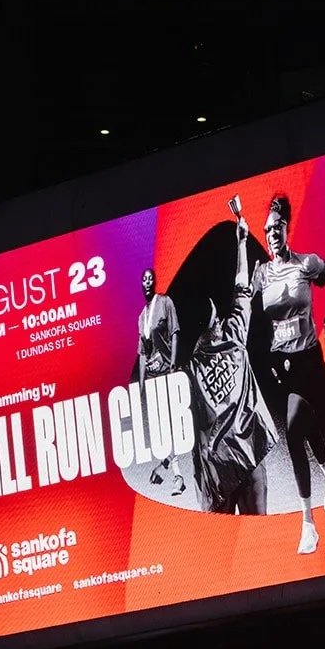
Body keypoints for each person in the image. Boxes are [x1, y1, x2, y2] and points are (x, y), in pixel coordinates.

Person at [251, 194, 325, 553]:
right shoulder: (261, 274)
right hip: (280, 364)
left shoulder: (306, 265)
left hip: (307, 358)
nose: (273, 233)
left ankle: (308, 524)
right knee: (302, 427)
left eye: (278, 227)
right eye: (268, 230)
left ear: (287, 229)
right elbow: (244, 299)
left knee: (293, 430)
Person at [188, 214, 277, 513]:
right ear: (214, 313)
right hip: (248, 456)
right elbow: (242, 289)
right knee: (260, 542)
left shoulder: (190, 369)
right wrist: (241, 240)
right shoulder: (234, 334)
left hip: (218, 472)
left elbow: (193, 431)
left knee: (224, 556)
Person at [137, 267, 184, 494]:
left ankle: (177, 475)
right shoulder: (141, 318)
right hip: (153, 376)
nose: (147, 282)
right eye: (144, 279)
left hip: (167, 371)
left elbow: (175, 332)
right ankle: (171, 468)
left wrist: (174, 364)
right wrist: (142, 385)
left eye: (150, 279)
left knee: (173, 423)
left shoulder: (165, 302)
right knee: (161, 427)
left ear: (154, 282)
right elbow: (143, 355)